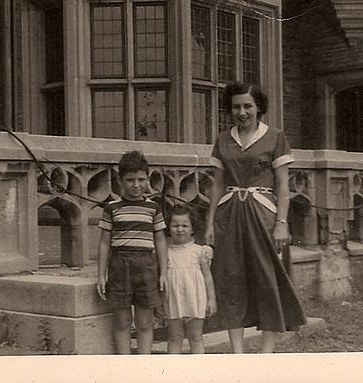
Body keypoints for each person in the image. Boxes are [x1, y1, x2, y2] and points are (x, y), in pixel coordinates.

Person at [205, 82, 307, 353]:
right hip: (229, 216)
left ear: (259, 107)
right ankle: (237, 352)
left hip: (264, 215)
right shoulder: (223, 139)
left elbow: (283, 185)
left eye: (248, 105)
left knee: (267, 277)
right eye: (236, 106)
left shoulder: (275, 137)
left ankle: (266, 352)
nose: (242, 112)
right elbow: (217, 184)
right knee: (231, 278)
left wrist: (281, 224)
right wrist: (209, 224)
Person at [97, 150, 168, 354]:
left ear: (147, 179)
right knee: (122, 321)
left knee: (145, 322)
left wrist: (163, 273)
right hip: (120, 266)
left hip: (146, 266)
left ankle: (143, 367)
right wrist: (101, 275)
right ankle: (125, 367)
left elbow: (161, 241)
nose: (136, 185)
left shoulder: (153, 208)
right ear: (120, 181)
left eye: (141, 179)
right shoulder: (111, 208)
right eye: (130, 180)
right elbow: (104, 243)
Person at [164, 205, 217, 354]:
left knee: (196, 336)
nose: (180, 229)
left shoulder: (200, 251)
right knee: (174, 337)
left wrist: (212, 300)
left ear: (193, 228)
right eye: (175, 225)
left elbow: (207, 276)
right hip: (173, 299)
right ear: (169, 227)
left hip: (195, 299)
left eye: (185, 225)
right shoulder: (165, 252)